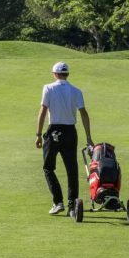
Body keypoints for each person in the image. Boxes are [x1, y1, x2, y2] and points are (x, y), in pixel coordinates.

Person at [35, 61, 92, 216]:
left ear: (54, 74)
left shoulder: (48, 88)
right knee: (72, 169)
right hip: (70, 132)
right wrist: (88, 137)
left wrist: (38, 134)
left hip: (54, 131)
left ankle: (58, 202)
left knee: (48, 167)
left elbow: (43, 111)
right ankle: (73, 207)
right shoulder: (76, 91)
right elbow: (84, 113)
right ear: (67, 74)